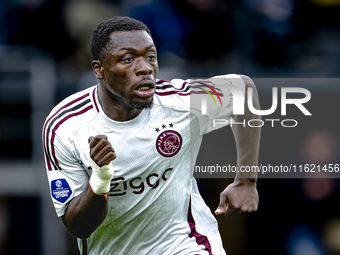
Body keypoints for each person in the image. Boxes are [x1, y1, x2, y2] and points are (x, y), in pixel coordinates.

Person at [43, 16, 260, 255]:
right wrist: (101, 179)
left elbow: (243, 90)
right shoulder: (64, 126)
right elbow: (78, 226)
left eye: (150, 57)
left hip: (186, 244)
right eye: (128, 59)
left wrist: (246, 180)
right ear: (99, 69)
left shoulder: (180, 102)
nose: (145, 68)